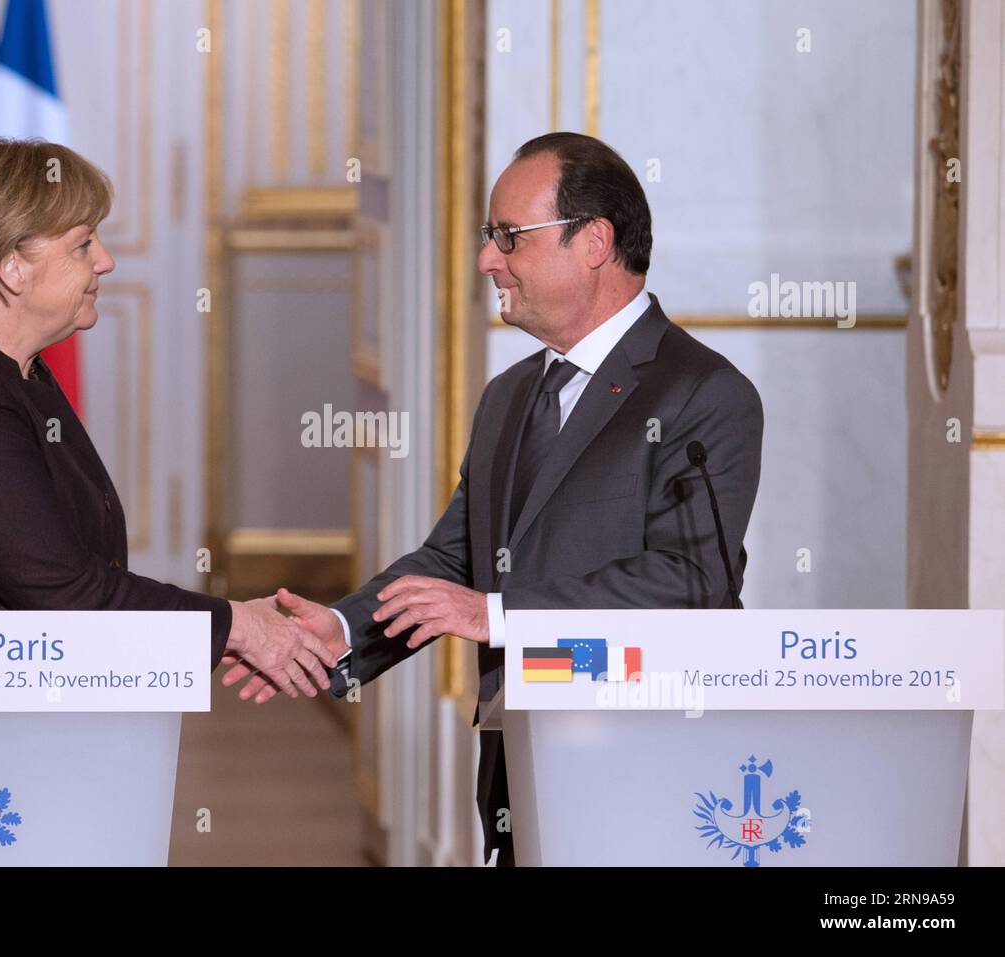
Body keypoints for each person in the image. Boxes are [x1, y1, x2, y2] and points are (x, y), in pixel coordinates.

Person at [223, 132, 765, 864]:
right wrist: (343, 633)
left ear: (595, 241)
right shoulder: (511, 394)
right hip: (519, 763)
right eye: (490, 236)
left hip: (646, 766)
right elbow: (455, 556)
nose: (487, 259)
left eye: (509, 236)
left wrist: (498, 615)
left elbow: (694, 581)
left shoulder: (705, 393)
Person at [0, 137, 338, 698]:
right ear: (13, 267)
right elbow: (67, 594)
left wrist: (233, 623)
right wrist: (234, 625)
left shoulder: (8, 367)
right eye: (83, 244)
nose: (105, 260)